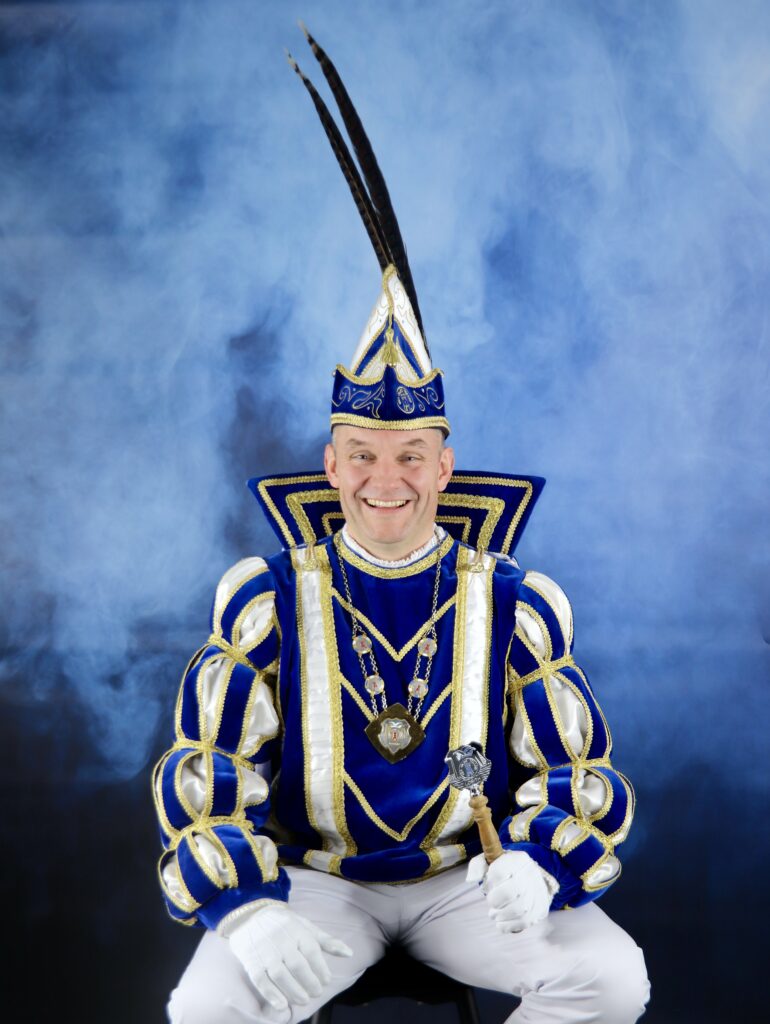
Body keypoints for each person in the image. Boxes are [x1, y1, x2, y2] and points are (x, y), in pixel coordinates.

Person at [153, 26, 650, 1024]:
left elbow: (577, 773)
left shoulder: (512, 603)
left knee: (611, 979)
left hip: (463, 883)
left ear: (445, 468)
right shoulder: (265, 602)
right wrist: (247, 909)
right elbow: (210, 771)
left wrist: (538, 865)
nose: (389, 480)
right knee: (204, 1010)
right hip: (317, 883)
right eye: (365, 457)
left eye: (412, 455)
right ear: (331, 467)